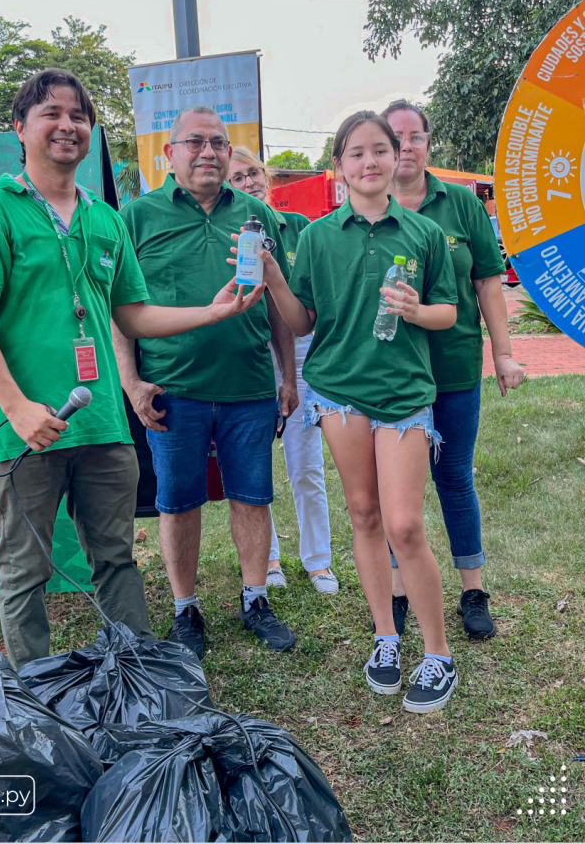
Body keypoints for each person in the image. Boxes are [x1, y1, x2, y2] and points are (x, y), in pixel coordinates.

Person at [0, 71, 264, 669]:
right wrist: (17, 409)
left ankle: (141, 683)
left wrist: (213, 310)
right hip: (24, 433)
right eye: (51, 114)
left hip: (102, 430)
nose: (67, 125)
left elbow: (134, 314)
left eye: (79, 116)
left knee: (116, 560)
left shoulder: (104, 220)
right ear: (20, 128)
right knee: (25, 570)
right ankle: (34, 700)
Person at [246, 110, 461, 713]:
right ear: (338, 166)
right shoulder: (315, 237)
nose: (369, 162)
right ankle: (386, 639)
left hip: (403, 396)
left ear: (397, 159)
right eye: (356, 153)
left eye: (380, 151)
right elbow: (301, 321)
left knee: (405, 525)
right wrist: (273, 279)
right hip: (337, 394)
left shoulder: (421, 234)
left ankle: (438, 653)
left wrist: (417, 311)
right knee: (363, 516)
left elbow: (448, 312)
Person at [112, 106, 299, 659]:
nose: (209, 152)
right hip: (173, 389)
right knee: (177, 501)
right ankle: (185, 608)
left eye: (218, 142)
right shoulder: (136, 218)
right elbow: (119, 310)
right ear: (169, 155)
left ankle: (256, 598)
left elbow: (277, 306)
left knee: (252, 497)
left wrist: (287, 379)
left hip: (247, 387)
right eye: (194, 142)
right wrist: (131, 382)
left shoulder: (257, 215)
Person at [381, 100, 525, 639]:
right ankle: (397, 593)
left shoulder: (461, 204)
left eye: (415, 137)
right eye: (395, 138)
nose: (406, 148)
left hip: (455, 368)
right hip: (392, 376)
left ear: (427, 143)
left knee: (454, 478)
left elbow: (489, 280)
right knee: (397, 494)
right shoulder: (371, 205)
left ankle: (473, 590)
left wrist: (503, 353)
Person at [227, 145, 338, 596]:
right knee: (257, 466)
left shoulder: (300, 229)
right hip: (254, 354)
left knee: (305, 461)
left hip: (303, 351)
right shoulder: (227, 237)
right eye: (237, 178)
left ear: (268, 179)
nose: (249, 181)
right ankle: (268, 558)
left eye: (254, 172)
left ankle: (318, 561)